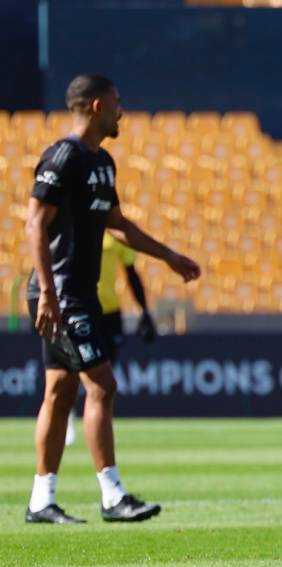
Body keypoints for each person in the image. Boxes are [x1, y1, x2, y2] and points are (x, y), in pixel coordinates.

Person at [25, 74, 201, 524]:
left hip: (76, 293)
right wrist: (47, 292)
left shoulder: (102, 162)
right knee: (102, 385)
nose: (122, 111)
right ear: (98, 104)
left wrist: (168, 256)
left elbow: (117, 225)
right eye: (118, 103)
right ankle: (112, 496)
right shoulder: (62, 157)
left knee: (60, 391)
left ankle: (41, 500)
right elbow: (34, 224)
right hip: (61, 293)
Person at [63, 231, 158, 447]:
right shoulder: (76, 227)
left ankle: (98, 423)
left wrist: (144, 310)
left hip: (109, 314)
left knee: (104, 375)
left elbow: (130, 273)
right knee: (74, 370)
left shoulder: (116, 234)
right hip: (81, 310)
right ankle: (68, 414)